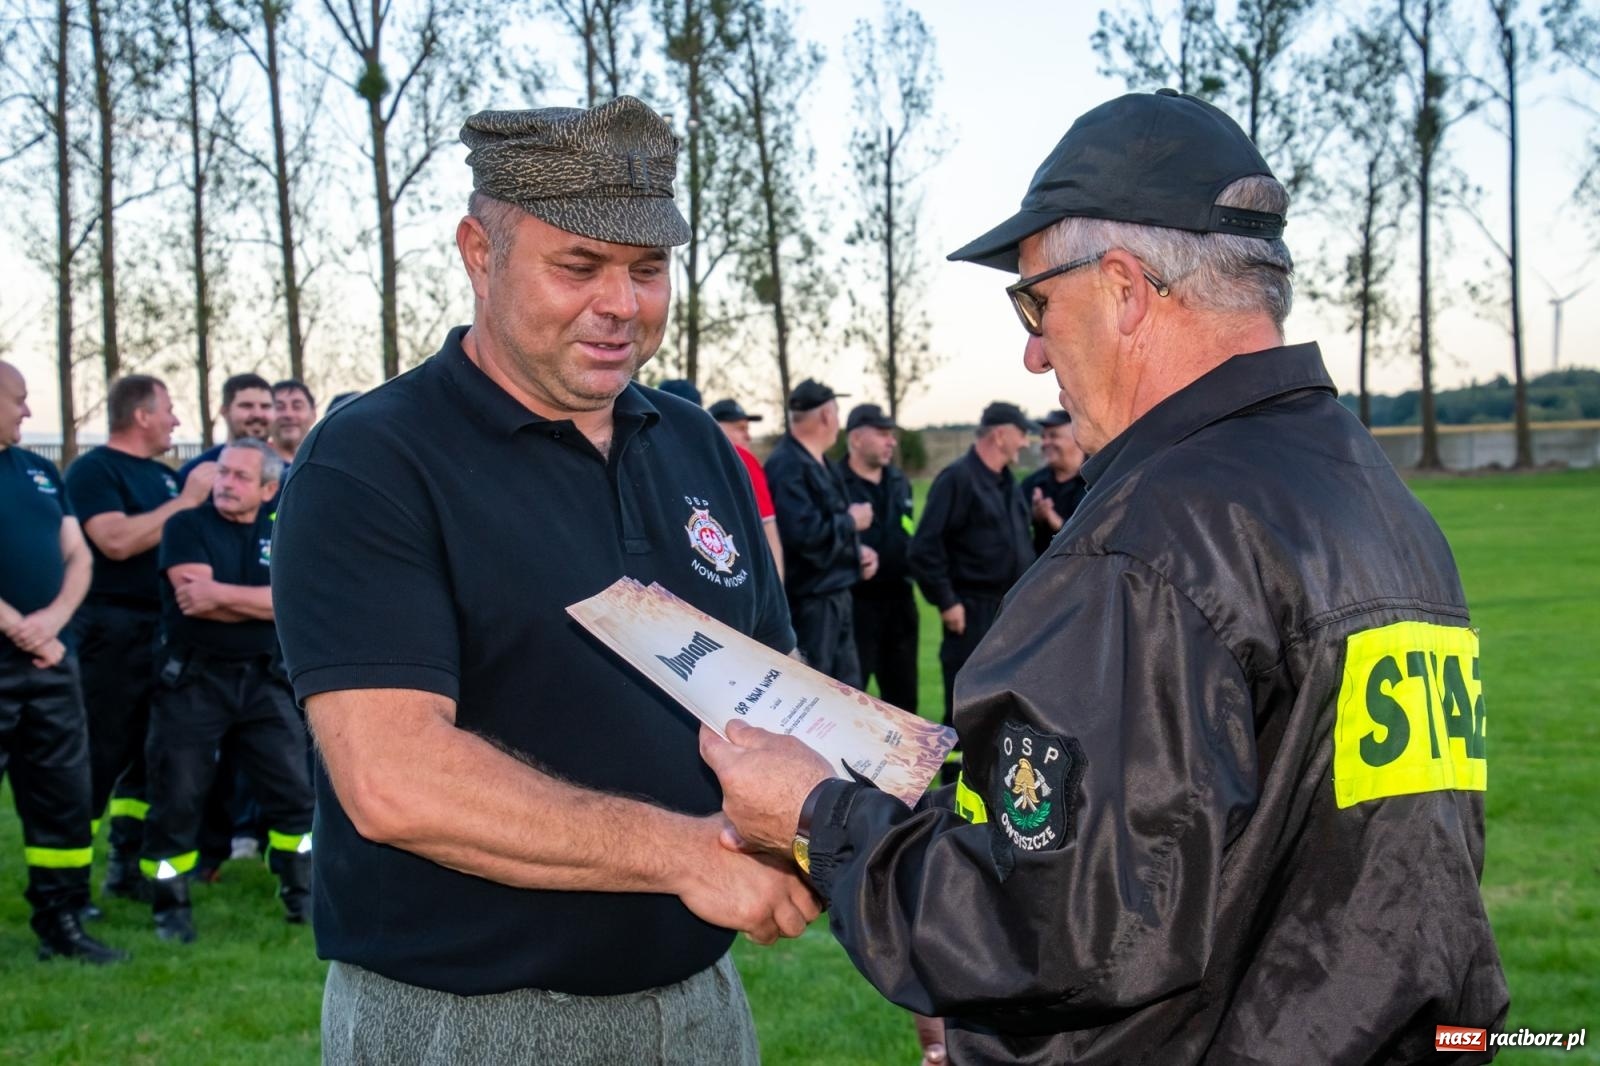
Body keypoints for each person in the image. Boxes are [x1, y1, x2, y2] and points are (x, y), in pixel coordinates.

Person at [699, 89, 1509, 1065]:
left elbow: (1040, 927)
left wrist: (815, 814)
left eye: (1036, 301)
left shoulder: (1150, 543)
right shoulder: (1379, 506)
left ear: (1122, 287)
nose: (1032, 349)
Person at [270, 95, 817, 1063]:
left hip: (695, 997)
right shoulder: (374, 459)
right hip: (472, 1018)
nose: (621, 303)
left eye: (647, 270)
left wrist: (877, 833)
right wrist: (683, 853)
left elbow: (770, 688)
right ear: (480, 252)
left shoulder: (692, 441)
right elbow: (394, 779)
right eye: (579, 266)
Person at [141, 438, 312, 942]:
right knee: (177, 797)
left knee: (294, 797)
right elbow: (194, 600)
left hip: (263, 680)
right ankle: (170, 907)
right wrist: (264, 598)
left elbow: (297, 600)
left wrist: (227, 594)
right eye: (222, 473)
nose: (226, 484)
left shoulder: (283, 530)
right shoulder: (186, 525)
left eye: (240, 477)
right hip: (194, 680)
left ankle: (300, 893)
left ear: (268, 488)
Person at [65, 375, 216, 901]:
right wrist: (189, 500)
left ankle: (125, 869)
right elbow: (116, 541)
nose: (176, 420)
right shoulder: (94, 471)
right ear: (142, 415)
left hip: (163, 634)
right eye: (169, 409)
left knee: (150, 760)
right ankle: (68, 884)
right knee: (101, 756)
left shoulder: (163, 477)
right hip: (112, 635)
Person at [0, 361, 127, 964]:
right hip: (22, 651)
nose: (28, 411)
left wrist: (49, 625)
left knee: (63, 797)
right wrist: (20, 628)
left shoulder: (39, 470)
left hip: (51, 663)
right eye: (19, 399)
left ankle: (63, 920)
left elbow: (76, 555)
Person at [907, 400, 1033, 782]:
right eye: (1021, 433)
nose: (1026, 443)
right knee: (967, 710)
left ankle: (997, 794)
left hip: (1007, 614)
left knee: (1005, 707)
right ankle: (954, 802)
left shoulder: (1007, 482)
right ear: (1000, 434)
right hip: (971, 613)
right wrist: (947, 601)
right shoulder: (958, 479)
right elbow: (924, 548)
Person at [764, 380, 873, 687]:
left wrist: (856, 551)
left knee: (849, 691)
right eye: (837, 414)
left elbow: (824, 526)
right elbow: (802, 536)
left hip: (837, 597)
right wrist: (851, 523)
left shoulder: (822, 462)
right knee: (817, 693)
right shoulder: (788, 466)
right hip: (811, 605)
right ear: (827, 416)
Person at [837, 403, 917, 715]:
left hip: (900, 602)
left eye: (892, 435)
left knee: (903, 699)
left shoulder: (900, 482)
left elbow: (907, 529)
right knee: (850, 698)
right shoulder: (834, 482)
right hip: (856, 605)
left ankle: (905, 765)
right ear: (856, 439)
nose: (891, 441)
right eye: (882, 434)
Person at [709, 397, 786, 582]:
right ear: (716, 427)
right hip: (746, 577)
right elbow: (769, 531)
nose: (748, 436)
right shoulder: (742, 459)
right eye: (740, 428)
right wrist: (777, 590)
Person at [178, 373, 274, 481]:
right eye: (246, 406)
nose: (258, 414)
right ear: (224, 411)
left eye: (265, 406)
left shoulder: (289, 475)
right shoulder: (195, 475)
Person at [1020, 409, 1087, 556]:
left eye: (1053, 436)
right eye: (1043, 437)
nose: (1045, 443)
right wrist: (1033, 516)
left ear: (1077, 436)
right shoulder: (1032, 484)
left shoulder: (1098, 481)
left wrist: (1058, 523)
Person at [269, 379, 316, 464]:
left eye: (297, 406)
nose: (288, 414)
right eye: (279, 407)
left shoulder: (328, 461)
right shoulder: (253, 466)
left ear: (314, 414)